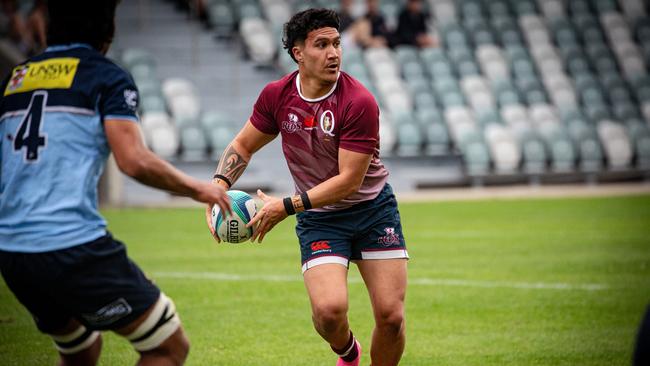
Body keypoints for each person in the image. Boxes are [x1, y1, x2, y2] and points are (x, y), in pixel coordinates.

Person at [0, 1, 231, 365]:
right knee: (168, 347)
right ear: (108, 34)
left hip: (12, 251)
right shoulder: (104, 75)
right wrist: (198, 188)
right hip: (69, 244)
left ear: (47, 28)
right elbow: (133, 160)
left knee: (81, 348)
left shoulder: (16, 79)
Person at [206, 8, 409, 366]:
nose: (334, 53)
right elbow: (243, 145)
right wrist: (218, 186)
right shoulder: (277, 96)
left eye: (336, 43)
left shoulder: (358, 102)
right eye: (321, 45)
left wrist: (284, 206)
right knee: (330, 313)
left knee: (391, 317)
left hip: (373, 211)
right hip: (320, 217)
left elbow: (349, 181)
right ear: (298, 53)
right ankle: (348, 353)